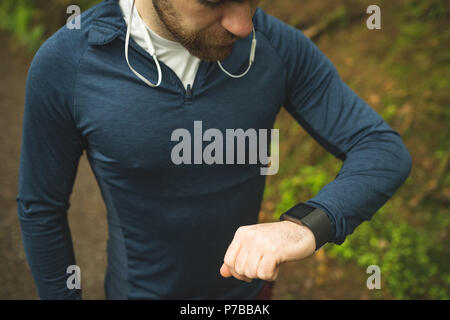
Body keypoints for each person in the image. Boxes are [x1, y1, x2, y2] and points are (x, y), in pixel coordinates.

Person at [16, 0, 412, 300]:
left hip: (249, 298)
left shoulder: (276, 46)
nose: (242, 25)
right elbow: (41, 208)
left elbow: (380, 147)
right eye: (212, 2)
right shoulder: (69, 62)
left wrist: (307, 224)